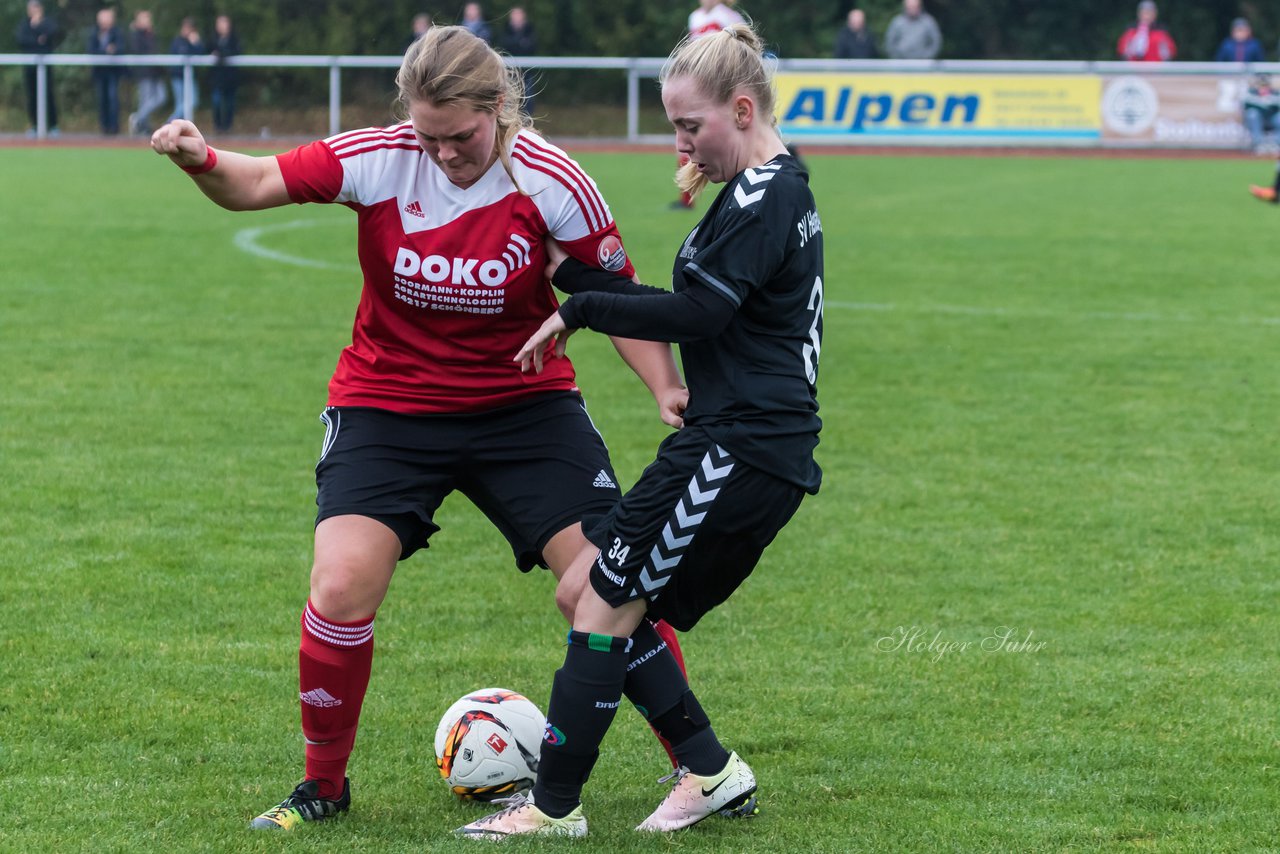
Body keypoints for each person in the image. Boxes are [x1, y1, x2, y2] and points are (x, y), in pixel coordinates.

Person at [150, 24, 707, 832]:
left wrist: (664, 384)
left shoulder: (550, 180)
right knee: (339, 585)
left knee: (601, 583)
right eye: (429, 136)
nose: (444, 153)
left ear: (499, 109)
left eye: (462, 137)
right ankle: (323, 787)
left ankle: (701, 768)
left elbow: (616, 296)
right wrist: (200, 158)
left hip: (525, 406)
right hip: (388, 404)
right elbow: (258, 180)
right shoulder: (381, 157)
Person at [459, 20, 823, 839]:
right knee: (587, 591)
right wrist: (572, 267)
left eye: (690, 126)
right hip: (726, 442)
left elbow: (701, 309)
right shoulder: (762, 187)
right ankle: (708, 770)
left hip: (742, 449)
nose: (681, 145)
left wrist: (581, 306)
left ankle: (555, 809)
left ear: (740, 108)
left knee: (600, 604)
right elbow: (699, 303)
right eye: (674, 126)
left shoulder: (772, 195)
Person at [672, 1, 745, 210]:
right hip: (697, 86)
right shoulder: (695, 17)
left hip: (719, 87)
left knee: (729, 142)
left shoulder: (728, 17)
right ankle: (687, 199)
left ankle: (741, 192)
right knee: (686, 140)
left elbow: (740, 52)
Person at [16, 0, 60, 137]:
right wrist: (38, 39)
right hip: (29, 67)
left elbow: (52, 35)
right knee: (32, 96)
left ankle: (52, 126)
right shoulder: (24, 24)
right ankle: (35, 125)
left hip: (45, 66)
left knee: (48, 95)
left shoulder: (47, 23)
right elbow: (21, 40)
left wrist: (38, 28)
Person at [128, 10, 167, 136]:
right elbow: (138, 51)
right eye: (145, 19)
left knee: (161, 97)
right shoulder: (136, 35)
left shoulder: (151, 34)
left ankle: (138, 118)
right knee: (145, 100)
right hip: (144, 73)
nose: (148, 21)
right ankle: (142, 125)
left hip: (155, 72)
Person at [87, 7, 124, 135]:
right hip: (100, 72)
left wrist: (114, 50)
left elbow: (121, 48)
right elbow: (91, 50)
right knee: (102, 100)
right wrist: (105, 51)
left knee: (113, 98)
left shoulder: (117, 32)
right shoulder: (94, 32)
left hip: (113, 72)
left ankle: (114, 128)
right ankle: (104, 127)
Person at [499, 6, 537, 115]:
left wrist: (517, 43)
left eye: (519, 15)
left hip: (527, 72)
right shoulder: (506, 29)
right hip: (510, 72)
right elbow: (505, 46)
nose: (517, 18)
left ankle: (527, 124)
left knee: (528, 100)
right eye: (515, 15)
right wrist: (520, 42)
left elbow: (531, 47)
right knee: (509, 99)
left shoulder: (529, 29)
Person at [167, 16, 205, 122]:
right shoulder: (177, 41)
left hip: (190, 77)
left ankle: (170, 124)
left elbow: (199, 55)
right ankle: (170, 124)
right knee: (182, 103)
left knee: (192, 102)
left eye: (189, 28)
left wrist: (195, 44)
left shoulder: (195, 41)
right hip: (178, 77)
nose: (186, 30)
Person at [209, 14, 242, 133]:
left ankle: (227, 127)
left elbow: (236, 52)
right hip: (217, 79)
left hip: (230, 79)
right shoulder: (213, 39)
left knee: (230, 104)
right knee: (216, 102)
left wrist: (221, 55)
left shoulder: (234, 39)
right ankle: (218, 127)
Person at [1242, 73, 1280, 154]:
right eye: (1261, 85)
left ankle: (1276, 143)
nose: (1263, 87)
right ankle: (1258, 143)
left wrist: (1267, 102)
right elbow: (1246, 106)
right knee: (1252, 114)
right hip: (1258, 120)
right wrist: (1263, 102)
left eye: (1265, 85)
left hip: (1271, 119)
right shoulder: (1251, 93)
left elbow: (1277, 107)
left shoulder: (1275, 93)